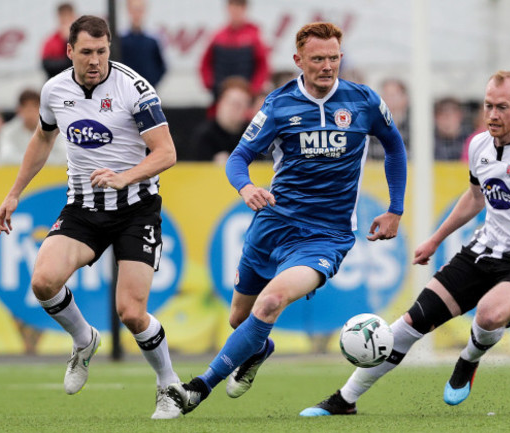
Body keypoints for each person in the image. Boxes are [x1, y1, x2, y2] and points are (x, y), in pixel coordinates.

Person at [166, 22, 407, 416]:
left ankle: (196, 389)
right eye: (318, 59)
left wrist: (396, 208)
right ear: (299, 61)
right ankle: (261, 350)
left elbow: (395, 147)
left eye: (333, 58)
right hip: (272, 226)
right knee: (239, 319)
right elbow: (240, 158)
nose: (327, 66)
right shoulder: (278, 105)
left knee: (270, 302)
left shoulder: (363, 101)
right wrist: (246, 189)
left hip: (325, 236)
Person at [299, 70, 510, 416]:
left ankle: (468, 360)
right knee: (411, 323)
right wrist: (435, 239)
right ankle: (344, 400)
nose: (493, 115)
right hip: (481, 251)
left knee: (488, 315)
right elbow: (474, 198)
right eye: (488, 106)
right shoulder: (478, 145)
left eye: (502, 107)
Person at [0, 15, 182, 419]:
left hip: (136, 209)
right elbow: (43, 138)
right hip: (84, 208)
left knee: (131, 312)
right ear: (69, 52)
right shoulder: (54, 90)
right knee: (43, 281)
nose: (95, 60)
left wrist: (125, 177)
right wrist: (14, 193)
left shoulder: (134, 88)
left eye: (101, 51)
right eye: (86, 52)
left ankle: (168, 384)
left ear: (109, 48)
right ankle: (84, 340)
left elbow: (166, 152)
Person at [199, 0, 270, 101]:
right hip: (221, 94)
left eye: (239, 8)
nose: (235, 12)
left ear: (244, 9)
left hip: (247, 95)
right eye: (233, 7)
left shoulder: (254, 36)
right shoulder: (218, 36)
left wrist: (254, 89)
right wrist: (210, 85)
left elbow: (263, 65)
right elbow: (205, 63)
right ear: (228, 9)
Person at [190, 76, 252, 164]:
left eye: (240, 105)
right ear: (220, 103)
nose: (235, 109)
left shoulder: (253, 135)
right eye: (232, 103)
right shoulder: (204, 135)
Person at [0, 89, 67, 166]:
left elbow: (63, 156)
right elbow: (4, 157)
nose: (31, 112)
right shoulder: (7, 130)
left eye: (34, 107)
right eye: (27, 108)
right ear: (19, 110)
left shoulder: (54, 129)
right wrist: (37, 161)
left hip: (49, 174)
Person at [120, 0, 167, 88]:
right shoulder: (120, 40)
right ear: (128, 11)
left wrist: (152, 82)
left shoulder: (152, 40)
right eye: (134, 9)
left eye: (139, 10)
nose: (137, 14)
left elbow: (161, 66)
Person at [369, 78, 410, 160]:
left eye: (393, 95)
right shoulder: (370, 126)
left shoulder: (414, 127)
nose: (388, 99)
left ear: (405, 98)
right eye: (385, 95)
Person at [41, 3, 76, 78]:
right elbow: (47, 66)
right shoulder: (51, 41)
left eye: (69, 18)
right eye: (63, 18)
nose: (66, 22)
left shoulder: (82, 38)